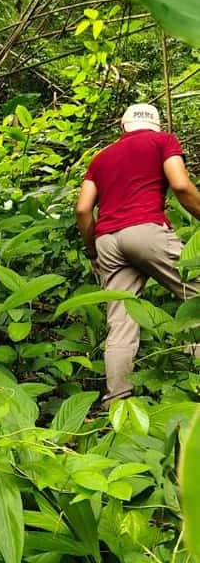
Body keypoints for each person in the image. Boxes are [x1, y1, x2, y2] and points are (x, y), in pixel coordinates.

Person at [75, 103, 200, 404]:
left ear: (122, 127)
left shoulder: (101, 157)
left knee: (120, 322)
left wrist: (92, 251)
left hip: (107, 240)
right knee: (195, 295)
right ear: (156, 125)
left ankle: (117, 404)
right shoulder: (163, 141)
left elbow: (82, 209)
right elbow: (181, 185)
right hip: (146, 230)